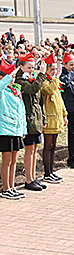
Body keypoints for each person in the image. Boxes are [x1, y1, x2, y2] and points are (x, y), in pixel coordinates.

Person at [15, 52, 47, 192]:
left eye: (33, 67)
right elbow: (33, 90)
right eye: (29, 67)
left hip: (36, 119)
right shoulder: (20, 81)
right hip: (28, 120)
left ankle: (33, 177)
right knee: (29, 150)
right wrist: (42, 75)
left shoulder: (32, 79)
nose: (31, 70)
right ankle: (28, 179)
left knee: (34, 149)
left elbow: (40, 101)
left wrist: (43, 117)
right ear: (21, 67)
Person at [0, 61, 25, 199]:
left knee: (14, 160)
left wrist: (23, 130)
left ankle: (12, 186)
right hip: (5, 130)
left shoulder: (14, 90)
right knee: (7, 160)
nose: (12, 79)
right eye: (9, 77)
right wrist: (9, 76)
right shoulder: (2, 91)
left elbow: (21, 112)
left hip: (16, 130)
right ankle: (5, 188)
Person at [41, 53, 67, 183]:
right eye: (52, 69)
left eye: (55, 69)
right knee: (48, 146)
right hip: (49, 119)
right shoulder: (45, 82)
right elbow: (50, 91)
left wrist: (64, 114)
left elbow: (59, 99)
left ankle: (51, 171)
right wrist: (56, 78)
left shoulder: (54, 81)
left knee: (53, 146)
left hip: (57, 118)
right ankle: (47, 173)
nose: (54, 71)